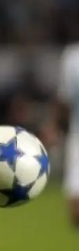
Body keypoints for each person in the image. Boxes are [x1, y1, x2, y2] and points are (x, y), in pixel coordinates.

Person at [41, 44, 79, 227]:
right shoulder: (72, 57)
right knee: (76, 211)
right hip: (78, 136)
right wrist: (53, 127)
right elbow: (64, 98)